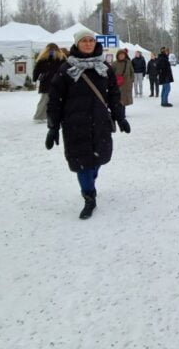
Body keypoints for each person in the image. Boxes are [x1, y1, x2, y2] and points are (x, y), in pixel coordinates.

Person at [45, 28, 130, 219]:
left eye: (91, 40)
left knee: (97, 160)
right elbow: (55, 100)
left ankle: (90, 183)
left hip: (100, 122)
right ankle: (89, 197)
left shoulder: (104, 68)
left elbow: (114, 96)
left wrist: (120, 117)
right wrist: (53, 127)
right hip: (75, 125)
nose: (88, 44)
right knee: (82, 162)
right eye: (84, 41)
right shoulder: (66, 69)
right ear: (77, 44)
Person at [32, 43, 67, 122]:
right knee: (54, 100)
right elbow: (66, 69)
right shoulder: (61, 58)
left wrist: (35, 78)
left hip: (47, 81)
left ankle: (40, 116)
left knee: (45, 100)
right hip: (57, 81)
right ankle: (43, 116)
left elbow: (37, 70)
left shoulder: (43, 58)